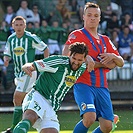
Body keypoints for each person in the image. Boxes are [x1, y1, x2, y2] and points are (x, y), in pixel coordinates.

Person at [62, 2, 124, 133]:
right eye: (89, 15)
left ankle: (111, 120)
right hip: (83, 84)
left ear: (100, 18)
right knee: (89, 117)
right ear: (83, 16)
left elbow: (120, 62)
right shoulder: (77, 35)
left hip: (102, 86)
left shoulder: (105, 40)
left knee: (107, 127)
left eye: (96, 15)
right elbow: (66, 53)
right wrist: (86, 58)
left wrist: (112, 55)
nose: (92, 18)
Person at [13, 42, 88, 133]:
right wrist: (26, 66)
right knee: (30, 117)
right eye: (74, 58)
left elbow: (95, 64)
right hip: (38, 96)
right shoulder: (58, 62)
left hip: (51, 107)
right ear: (69, 55)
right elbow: (33, 65)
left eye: (79, 60)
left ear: (84, 59)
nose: (76, 62)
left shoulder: (83, 67)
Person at [2, 16, 49, 133]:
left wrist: (45, 65)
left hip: (29, 72)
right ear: (12, 26)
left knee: (17, 98)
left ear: (25, 25)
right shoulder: (11, 39)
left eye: (21, 25)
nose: (18, 27)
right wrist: (6, 59)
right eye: (16, 25)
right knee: (26, 101)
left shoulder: (30, 38)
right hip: (17, 74)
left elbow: (45, 48)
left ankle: (13, 129)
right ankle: (38, 118)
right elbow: (7, 53)